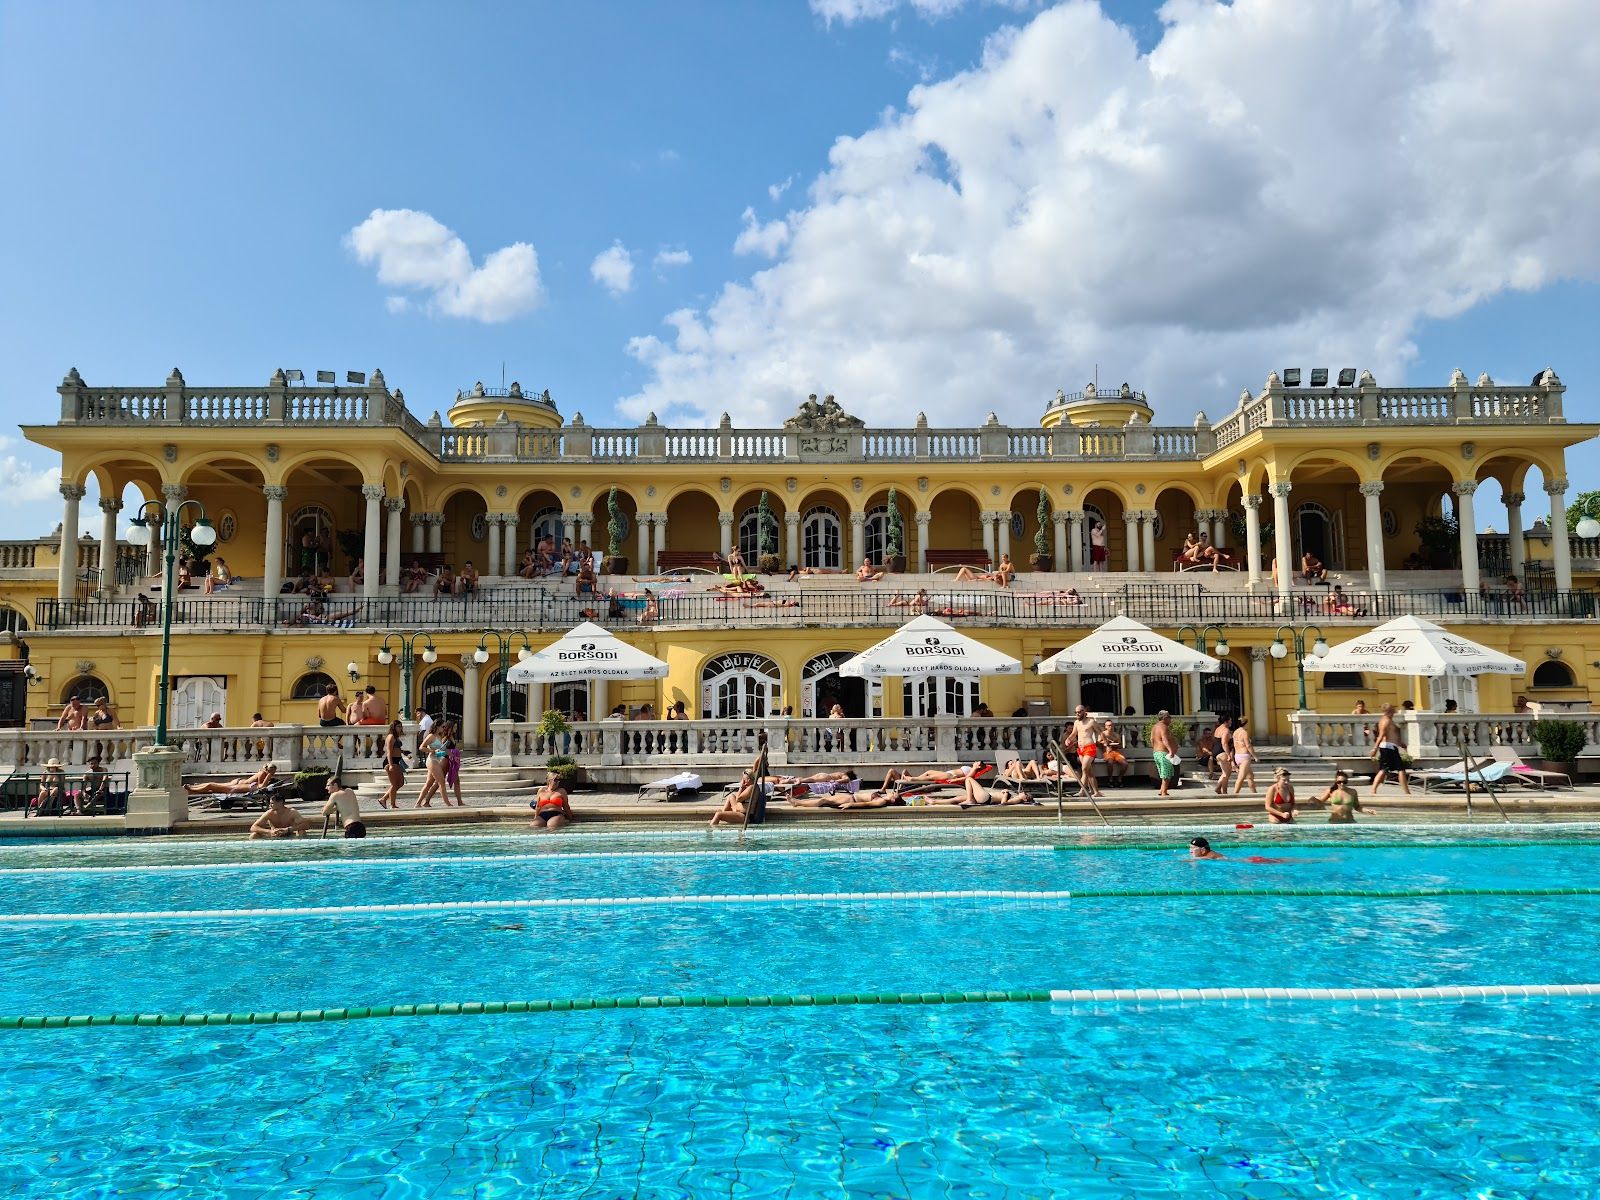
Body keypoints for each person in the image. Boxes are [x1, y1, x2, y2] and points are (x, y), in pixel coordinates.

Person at [1371, 703, 1411, 794]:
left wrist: (1401, 744)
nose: (1395, 710)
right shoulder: (1386, 721)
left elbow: (1392, 735)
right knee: (1400, 769)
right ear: (1389, 710)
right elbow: (1381, 735)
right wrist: (1375, 749)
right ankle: (1407, 792)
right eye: (1393, 708)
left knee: (1384, 769)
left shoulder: (1389, 720)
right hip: (1388, 747)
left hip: (1391, 747)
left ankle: (1373, 790)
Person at [184, 763, 277, 795]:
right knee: (211, 785)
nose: (274, 773)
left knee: (211, 785)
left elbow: (260, 786)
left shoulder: (263, 774)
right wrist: (268, 778)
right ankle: (192, 788)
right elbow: (261, 786)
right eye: (274, 771)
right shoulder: (263, 774)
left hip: (236, 785)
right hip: (236, 785)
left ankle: (193, 788)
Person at [1071, 706, 1103, 797]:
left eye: (1079, 712)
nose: (1077, 714)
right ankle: (1094, 791)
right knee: (1088, 771)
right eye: (1076, 712)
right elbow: (1074, 734)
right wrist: (1069, 739)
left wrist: (1103, 741)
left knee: (1084, 768)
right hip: (1081, 749)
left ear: (1084, 711)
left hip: (1090, 747)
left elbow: (1100, 731)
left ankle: (1084, 790)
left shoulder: (1091, 721)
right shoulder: (1076, 722)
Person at [1150, 710, 1180, 797]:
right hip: (1163, 752)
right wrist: (1170, 750)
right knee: (1166, 773)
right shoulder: (1163, 727)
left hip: (1157, 752)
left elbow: (1152, 739)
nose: (1171, 720)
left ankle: (1162, 790)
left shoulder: (1155, 727)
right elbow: (1164, 739)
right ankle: (1164, 792)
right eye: (1170, 718)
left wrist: (1154, 749)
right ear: (1165, 718)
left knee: (1163, 772)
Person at [379, 719, 407, 810]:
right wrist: (390, 765)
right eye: (398, 726)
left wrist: (403, 752)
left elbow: (396, 748)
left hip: (397, 761)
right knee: (394, 784)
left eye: (400, 726)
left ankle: (384, 799)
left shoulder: (396, 737)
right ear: (393, 727)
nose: (400, 728)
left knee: (401, 782)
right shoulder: (391, 737)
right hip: (391, 761)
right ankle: (392, 804)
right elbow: (389, 752)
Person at [320, 769, 359, 836]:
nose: (326, 788)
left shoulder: (335, 795)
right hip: (360, 827)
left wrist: (329, 809)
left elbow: (324, 812)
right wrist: (336, 808)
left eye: (328, 785)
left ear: (335, 785)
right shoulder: (350, 791)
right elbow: (345, 806)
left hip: (351, 828)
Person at [1230, 716, 1258, 795]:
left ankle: (1254, 793)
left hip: (1237, 756)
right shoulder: (1244, 733)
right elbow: (1248, 746)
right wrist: (1255, 756)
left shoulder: (1235, 732)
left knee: (1250, 776)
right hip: (1244, 757)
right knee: (1241, 777)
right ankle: (1234, 795)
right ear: (1246, 723)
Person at [1098, 720, 1129, 787]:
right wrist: (1105, 742)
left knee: (1125, 764)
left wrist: (1114, 745)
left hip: (1116, 752)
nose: (1111, 727)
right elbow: (1097, 743)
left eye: (1112, 725)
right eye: (1109, 725)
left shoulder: (1116, 735)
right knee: (1110, 762)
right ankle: (1110, 780)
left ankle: (1119, 779)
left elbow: (1120, 745)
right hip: (1107, 752)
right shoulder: (1103, 734)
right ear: (1105, 726)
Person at [1212, 716, 1235, 794]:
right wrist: (1228, 755)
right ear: (1226, 722)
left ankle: (1219, 788)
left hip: (1216, 751)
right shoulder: (1225, 730)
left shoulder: (1218, 729)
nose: (1231, 722)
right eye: (1230, 720)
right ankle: (1224, 791)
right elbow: (1224, 743)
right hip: (1222, 752)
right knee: (1226, 773)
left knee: (1226, 772)